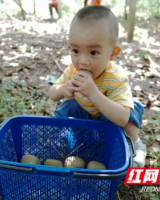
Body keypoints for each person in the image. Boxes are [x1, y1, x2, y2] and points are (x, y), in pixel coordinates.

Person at [48, 5, 146, 167]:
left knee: (130, 111)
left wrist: (93, 93)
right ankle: (68, 143)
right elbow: (52, 94)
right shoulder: (73, 71)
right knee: (68, 106)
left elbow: (122, 118)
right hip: (87, 116)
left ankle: (136, 145)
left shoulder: (116, 78)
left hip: (111, 118)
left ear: (113, 53)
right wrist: (62, 89)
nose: (82, 61)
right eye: (75, 50)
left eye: (93, 52)